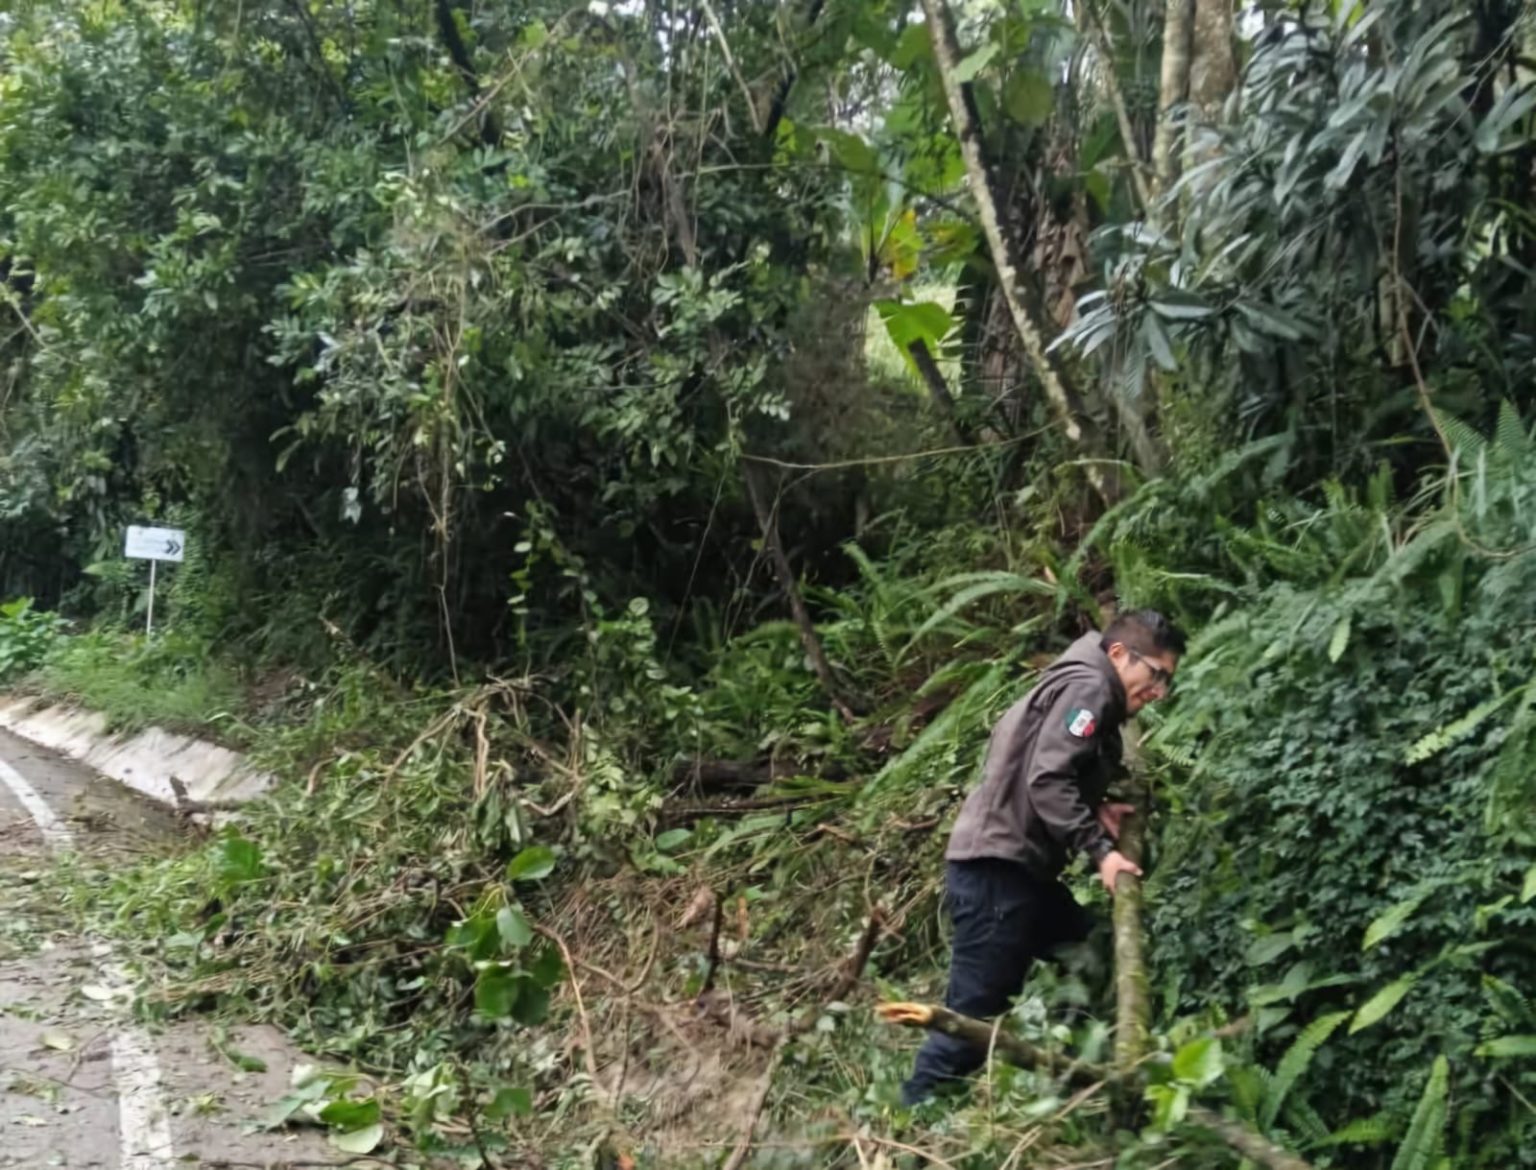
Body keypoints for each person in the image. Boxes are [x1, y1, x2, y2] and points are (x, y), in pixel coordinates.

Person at [901, 609, 1186, 1106]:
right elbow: (1048, 780)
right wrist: (1101, 852)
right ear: (1120, 654)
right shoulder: (1090, 690)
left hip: (1016, 871)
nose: (1159, 691)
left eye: (1167, 681)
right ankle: (906, 1124)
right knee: (968, 1027)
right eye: (1156, 675)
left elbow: (1042, 767)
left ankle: (1076, 1085)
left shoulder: (1083, 683)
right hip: (996, 874)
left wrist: (1093, 808)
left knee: (1089, 950)